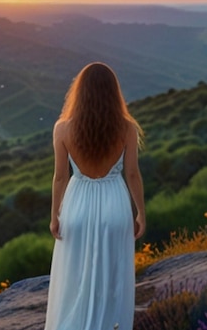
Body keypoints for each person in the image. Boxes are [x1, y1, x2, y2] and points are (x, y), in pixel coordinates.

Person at [44, 62, 145, 330]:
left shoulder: (62, 129)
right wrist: (141, 213)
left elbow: (60, 177)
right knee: (113, 273)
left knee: (75, 273)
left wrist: (54, 215)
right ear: (114, 92)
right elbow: (132, 174)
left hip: (77, 206)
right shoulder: (127, 129)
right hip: (115, 204)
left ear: (79, 92)